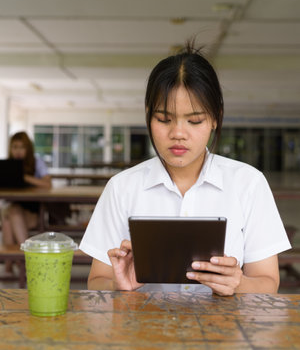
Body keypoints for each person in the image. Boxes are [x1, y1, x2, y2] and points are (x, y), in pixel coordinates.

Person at [79, 43, 291, 295]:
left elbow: (268, 283)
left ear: (215, 118)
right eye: (163, 119)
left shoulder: (249, 183)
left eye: (195, 120)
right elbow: (96, 281)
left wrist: (239, 283)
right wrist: (118, 284)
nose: (178, 133)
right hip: (142, 330)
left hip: (223, 331)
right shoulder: (122, 187)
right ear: (148, 115)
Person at [1, 131, 52, 273]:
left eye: (21, 147)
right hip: (13, 210)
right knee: (10, 215)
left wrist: (25, 177)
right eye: (14, 147)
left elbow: (47, 184)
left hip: (33, 213)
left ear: (28, 149)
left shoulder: (37, 162)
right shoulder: (6, 166)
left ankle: (11, 263)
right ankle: (27, 260)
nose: (18, 151)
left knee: (9, 217)